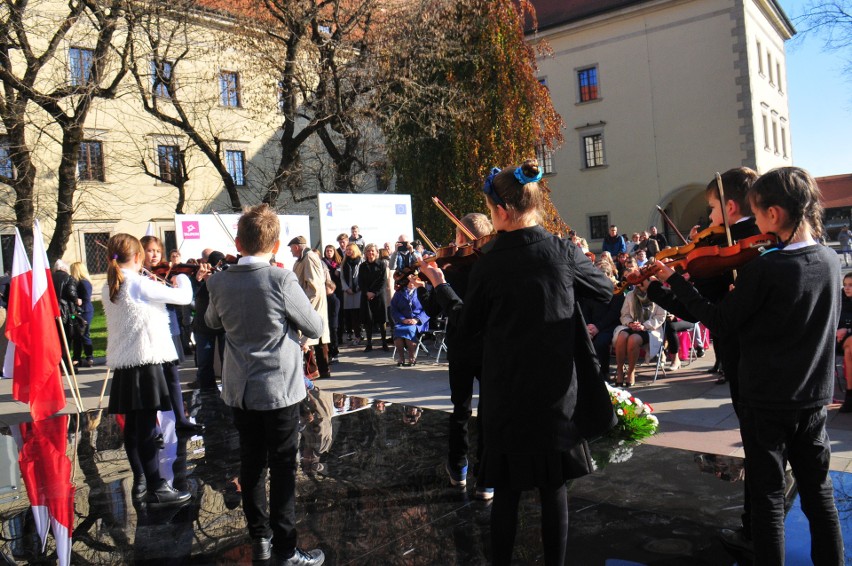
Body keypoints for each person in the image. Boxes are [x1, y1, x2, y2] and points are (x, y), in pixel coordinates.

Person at [419, 160, 612, 565]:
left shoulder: (490, 262)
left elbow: (466, 324)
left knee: (505, 491)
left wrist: (440, 286)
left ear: (503, 211)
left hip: (507, 393)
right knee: (553, 489)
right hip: (556, 393)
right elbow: (605, 289)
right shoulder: (559, 249)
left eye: (490, 210)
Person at [651, 166, 845, 565]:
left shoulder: (766, 268)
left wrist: (677, 281)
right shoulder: (828, 260)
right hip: (813, 397)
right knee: (819, 496)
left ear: (774, 214)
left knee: (769, 501)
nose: (753, 225)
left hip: (767, 399)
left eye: (756, 215)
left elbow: (720, 320)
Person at [204, 204, 325, 566]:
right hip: (280, 390)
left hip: (240, 390)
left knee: (252, 466)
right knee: (284, 468)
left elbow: (212, 321)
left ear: (238, 242)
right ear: (274, 247)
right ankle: (287, 550)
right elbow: (316, 327)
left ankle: (260, 541)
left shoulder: (219, 280)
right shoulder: (280, 279)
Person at [648, 166, 762, 549]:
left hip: (745, 360)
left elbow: (700, 309)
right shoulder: (764, 239)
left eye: (712, 210)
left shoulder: (730, 246)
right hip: (780, 363)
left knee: (758, 451)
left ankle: (754, 531)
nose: (708, 222)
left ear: (730, 208)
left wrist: (661, 287)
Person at [103, 233, 198, 508]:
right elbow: (183, 297)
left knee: (134, 429)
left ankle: (142, 479)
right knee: (144, 429)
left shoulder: (112, 282)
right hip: (144, 362)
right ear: (137, 257)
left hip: (126, 363)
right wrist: (183, 278)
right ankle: (157, 486)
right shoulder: (137, 283)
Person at [417, 212, 494, 498]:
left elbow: (433, 311)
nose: (454, 241)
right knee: (488, 410)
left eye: (457, 236)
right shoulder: (491, 267)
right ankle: (485, 478)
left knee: (460, 408)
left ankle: (458, 467)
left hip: (461, 345)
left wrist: (427, 286)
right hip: (488, 345)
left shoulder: (448, 269)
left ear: (463, 238)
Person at [141, 235, 203, 435]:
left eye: (157, 251)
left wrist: (175, 287)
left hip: (170, 327)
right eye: (150, 250)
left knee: (172, 375)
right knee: (152, 379)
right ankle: (153, 426)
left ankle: (181, 419)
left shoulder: (166, 274)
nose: (154, 255)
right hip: (150, 330)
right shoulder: (138, 277)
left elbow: (180, 300)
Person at [611, 275, 666, 387]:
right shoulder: (631, 295)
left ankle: (631, 371)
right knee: (622, 336)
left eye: (642, 281)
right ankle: (620, 370)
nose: (639, 283)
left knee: (633, 339)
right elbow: (624, 314)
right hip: (632, 325)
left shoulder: (658, 295)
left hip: (650, 328)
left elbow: (660, 317)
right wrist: (631, 323)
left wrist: (644, 326)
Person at [289, 236, 331, 380]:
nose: (290, 251)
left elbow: (315, 286)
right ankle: (319, 371)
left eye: (291, 248)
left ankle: (316, 370)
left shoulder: (309, 258)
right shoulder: (301, 260)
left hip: (312, 303)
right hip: (308, 303)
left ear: (296, 246)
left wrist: (306, 305)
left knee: (311, 336)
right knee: (315, 337)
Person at [579, 261, 624, 381]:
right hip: (592, 326)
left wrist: (598, 327)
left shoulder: (617, 290)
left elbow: (614, 313)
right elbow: (585, 310)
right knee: (581, 339)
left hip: (610, 326)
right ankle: (586, 373)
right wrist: (588, 326)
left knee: (601, 342)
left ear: (608, 275)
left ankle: (603, 373)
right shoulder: (591, 289)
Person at [192, 250, 227, 390]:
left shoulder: (225, 276)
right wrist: (199, 280)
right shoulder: (198, 276)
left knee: (227, 360)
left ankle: (227, 389)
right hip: (203, 324)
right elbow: (192, 295)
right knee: (205, 362)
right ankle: (207, 392)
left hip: (224, 324)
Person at [390, 275, 429, 366]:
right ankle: (401, 357)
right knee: (398, 330)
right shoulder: (399, 293)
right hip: (403, 321)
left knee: (408, 330)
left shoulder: (422, 292)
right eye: (410, 281)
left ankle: (412, 357)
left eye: (414, 281)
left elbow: (428, 309)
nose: (412, 283)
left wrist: (417, 319)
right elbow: (393, 309)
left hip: (418, 322)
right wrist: (403, 319)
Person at [357, 243, 389, 352]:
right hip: (366, 296)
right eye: (368, 251)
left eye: (372, 251)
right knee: (368, 320)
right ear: (365, 253)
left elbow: (383, 281)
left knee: (381, 319)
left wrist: (374, 293)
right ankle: (369, 343)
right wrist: (367, 293)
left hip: (379, 296)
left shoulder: (382, 264)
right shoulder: (362, 266)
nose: (370, 253)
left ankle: (384, 343)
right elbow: (360, 282)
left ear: (376, 252)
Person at [52, 259, 78, 369]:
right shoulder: (68, 277)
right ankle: (67, 365)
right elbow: (71, 293)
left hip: (52, 312)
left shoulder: (49, 278)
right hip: (65, 312)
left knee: (56, 339)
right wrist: (77, 300)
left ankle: (58, 364)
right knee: (66, 339)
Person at [70, 262, 94, 367]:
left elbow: (86, 298)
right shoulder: (80, 282)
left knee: (84, 333)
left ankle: (89, 357)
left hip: (84, 311)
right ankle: (78, 357)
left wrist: (78, 302)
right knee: (78, 335)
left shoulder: (83, 283)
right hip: (82, 310)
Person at [340, 243, 363, 343]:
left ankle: (359, 335)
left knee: (359, 314)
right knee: (351, 315)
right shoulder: (344, 262)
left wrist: (358, 287)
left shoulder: (361, 261)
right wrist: (346, 288)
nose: (348, 251)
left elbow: (363, 276)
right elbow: (342, 277)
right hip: (348, 291)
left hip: (359, 291)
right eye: (347, 250)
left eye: (350, 249)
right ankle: (354, 335)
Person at [321, 245, 344, 347]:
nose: (329, 252)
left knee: (339, 314)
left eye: (331, 251)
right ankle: (332, 339)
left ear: (334, 252)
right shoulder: (323, 262)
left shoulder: (338, 263)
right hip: (327, 290)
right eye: (327, 251)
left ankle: (339, 337)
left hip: (338, 290)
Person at [837, 273, 852, 412]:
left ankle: (849, 395)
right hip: (836, 340)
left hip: (848, 339)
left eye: (851, 285)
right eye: (845, 284)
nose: (847, 288)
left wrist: (847, 329)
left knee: (850, 349)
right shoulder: (838, 299)